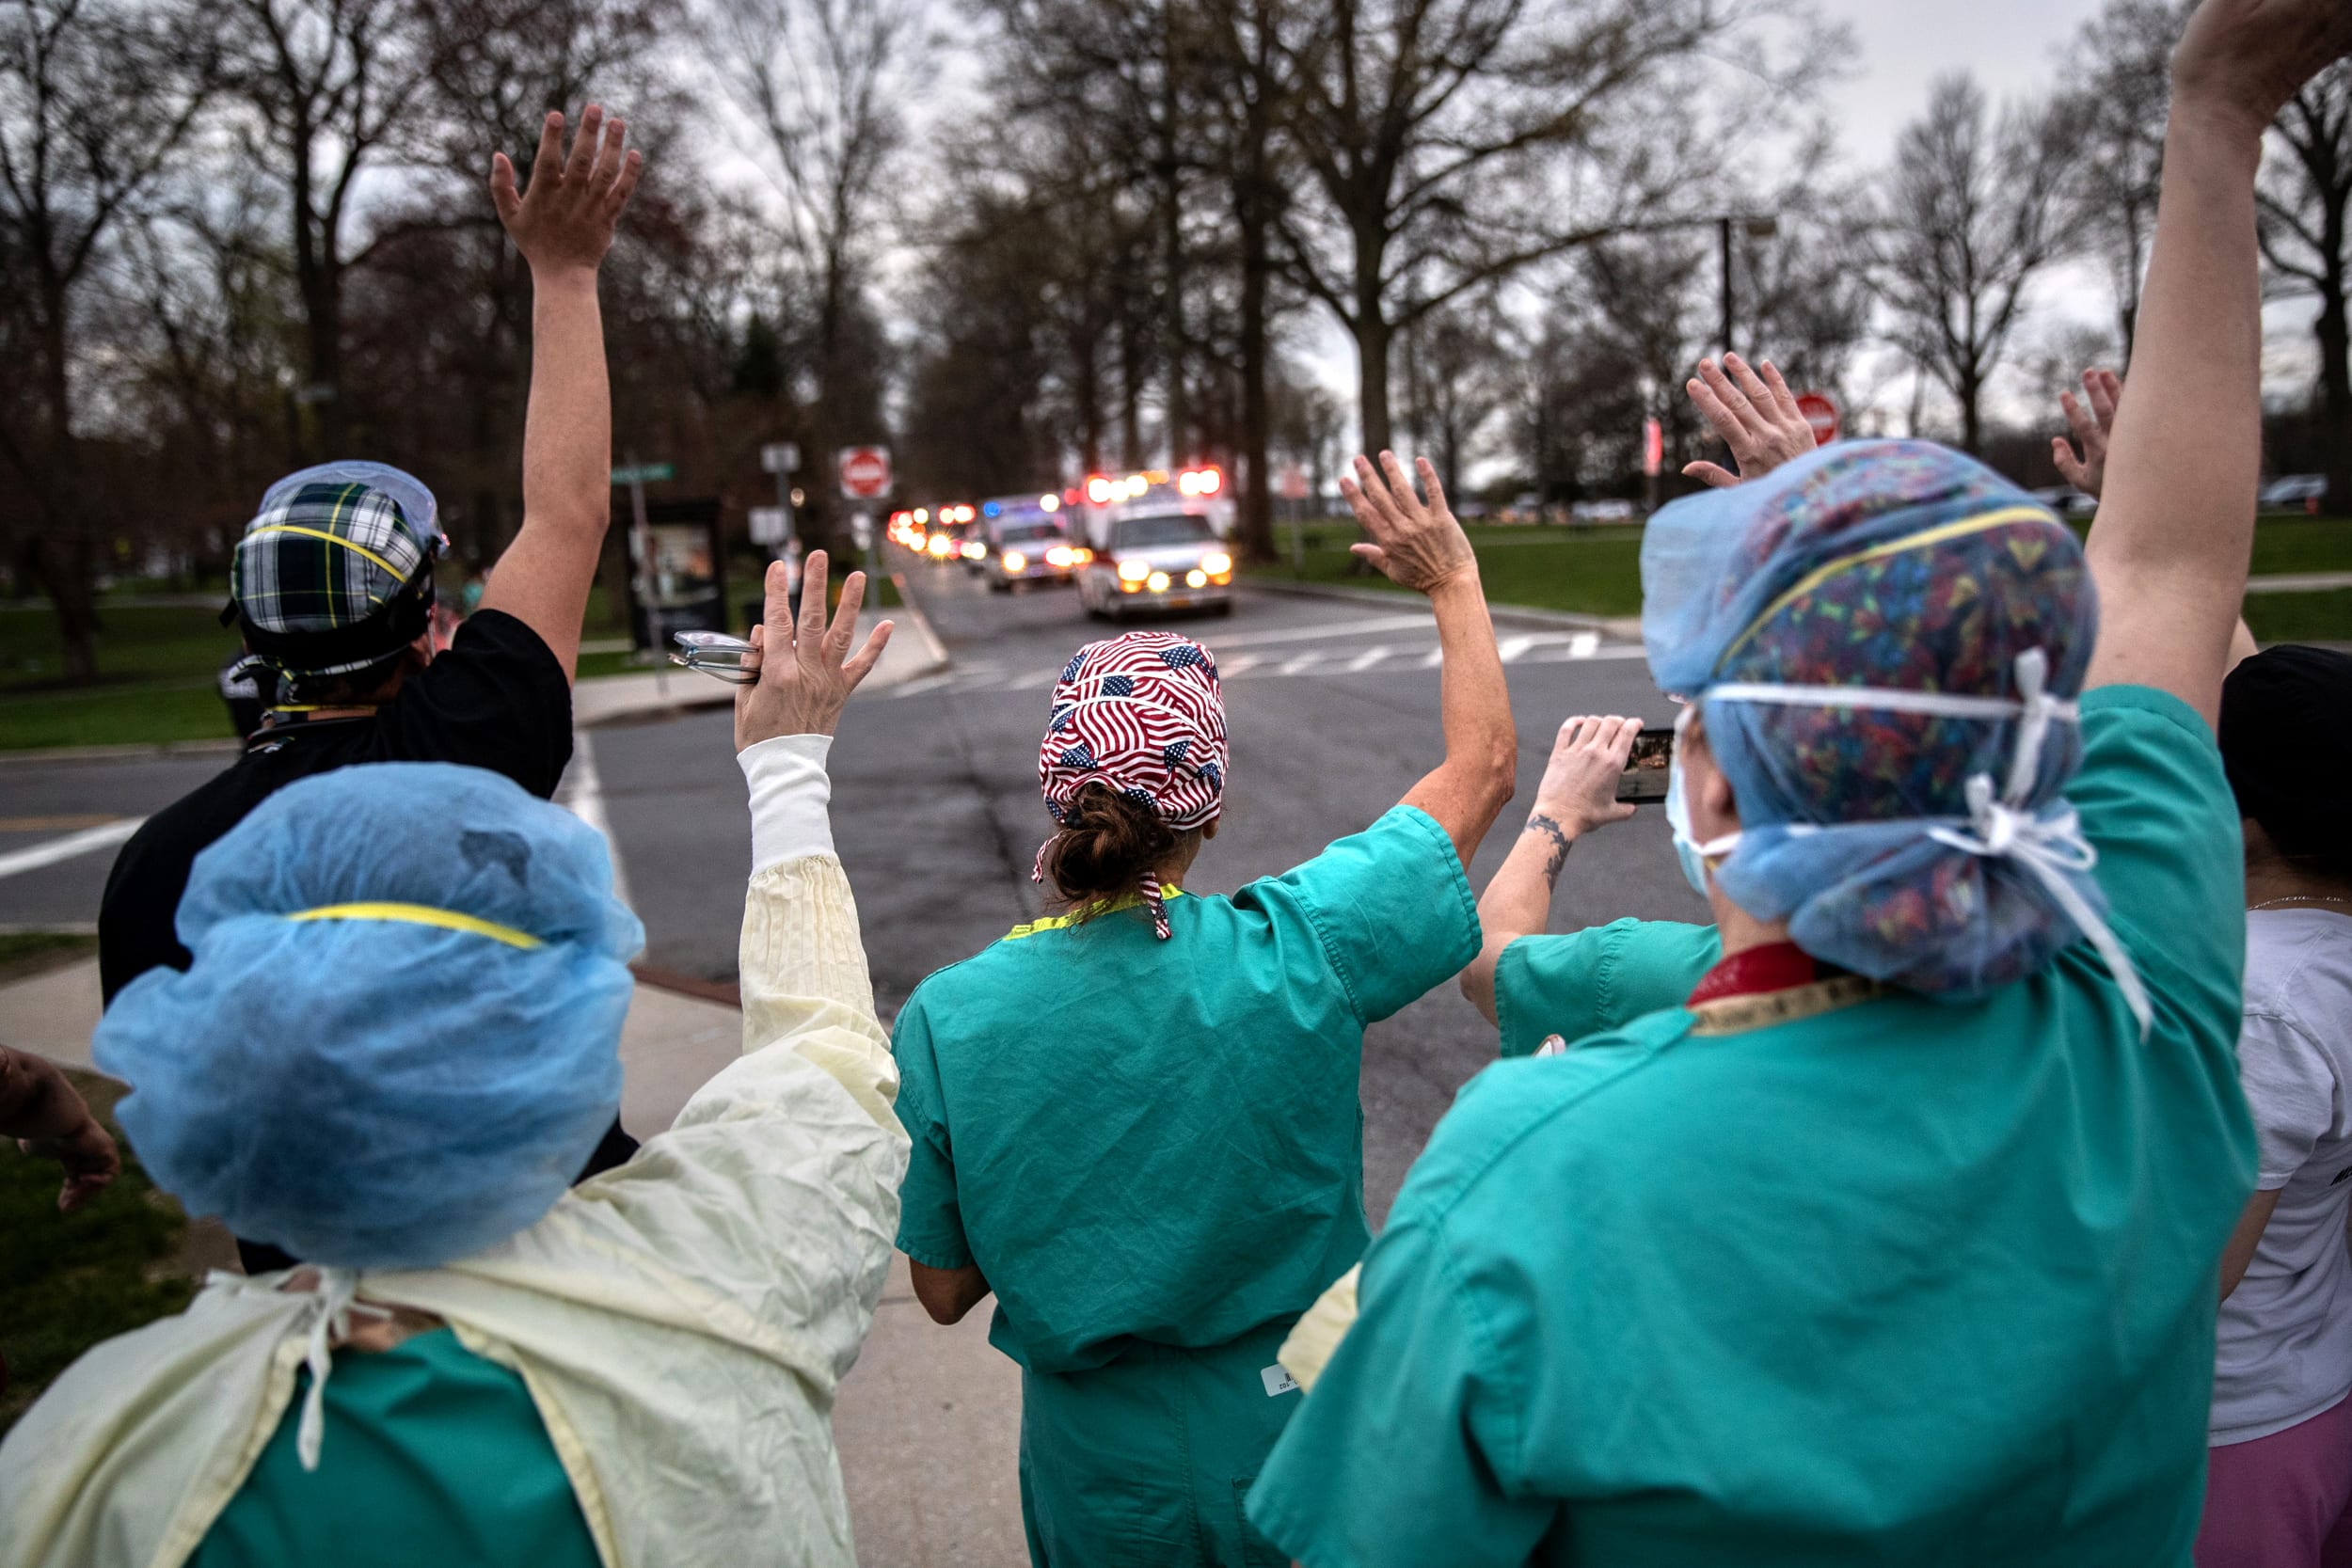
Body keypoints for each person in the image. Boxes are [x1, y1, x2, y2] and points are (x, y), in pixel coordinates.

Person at [1246, 0, 2345, 1559]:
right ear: (2032, 750)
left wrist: (2217, 100)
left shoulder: (1535, 1171)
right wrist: (2222, 108)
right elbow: (2170, 562)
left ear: (1706, 790)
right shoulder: (2146, 1017)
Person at [0, 550, 906, 1568]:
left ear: (225, 1116)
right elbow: (823, 1054)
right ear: (552, 1064)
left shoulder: (91, 1466)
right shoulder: (725, 1274)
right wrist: (786, 761)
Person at [888, 451, 1516, 1567]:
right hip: (1292, 1424)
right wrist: (1452, 580)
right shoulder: (1301, 947)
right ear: (1208, 809)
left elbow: (939, 1288)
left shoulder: (950, 1016)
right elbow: (1482, 771)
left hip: (1094, 1468)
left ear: (1058, 795)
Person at [98, 108, 645, 1266]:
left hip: (317, 1321)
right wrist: (563, 269)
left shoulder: (154, 865)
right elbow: (567, 510)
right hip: (547, 1266)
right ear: (424, 625)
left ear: (251, 638)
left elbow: (175, 1113)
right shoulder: (472, 734)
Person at [2199, 642, 2352, 1568]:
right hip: (2315, 1391)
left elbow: (2191, 1271)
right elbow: (2290, 722)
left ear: (2239, 815)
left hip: (2226, 1435)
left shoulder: (2261, 1002)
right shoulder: (2320, 950)